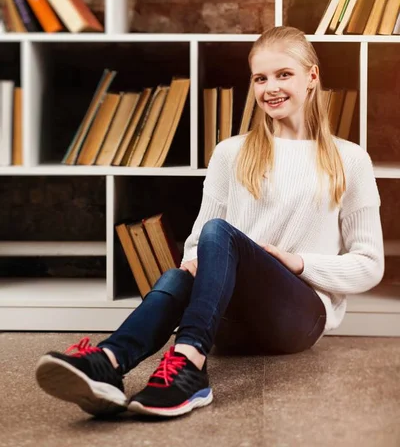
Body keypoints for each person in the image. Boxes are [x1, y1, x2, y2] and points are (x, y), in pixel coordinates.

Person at [35, 25, 384, 419]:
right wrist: (194, 263)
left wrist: (297, 262)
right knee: (183, 271)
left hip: (298, 320)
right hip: (226, 323)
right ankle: (111, 363)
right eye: (260, 78)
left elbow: (370, 264)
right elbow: (199, 240)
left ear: (312, 77)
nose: (271, 87)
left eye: (283, 74)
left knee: (220, 235)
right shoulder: (230, 153)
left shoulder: (350, 160)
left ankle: (188, 367)